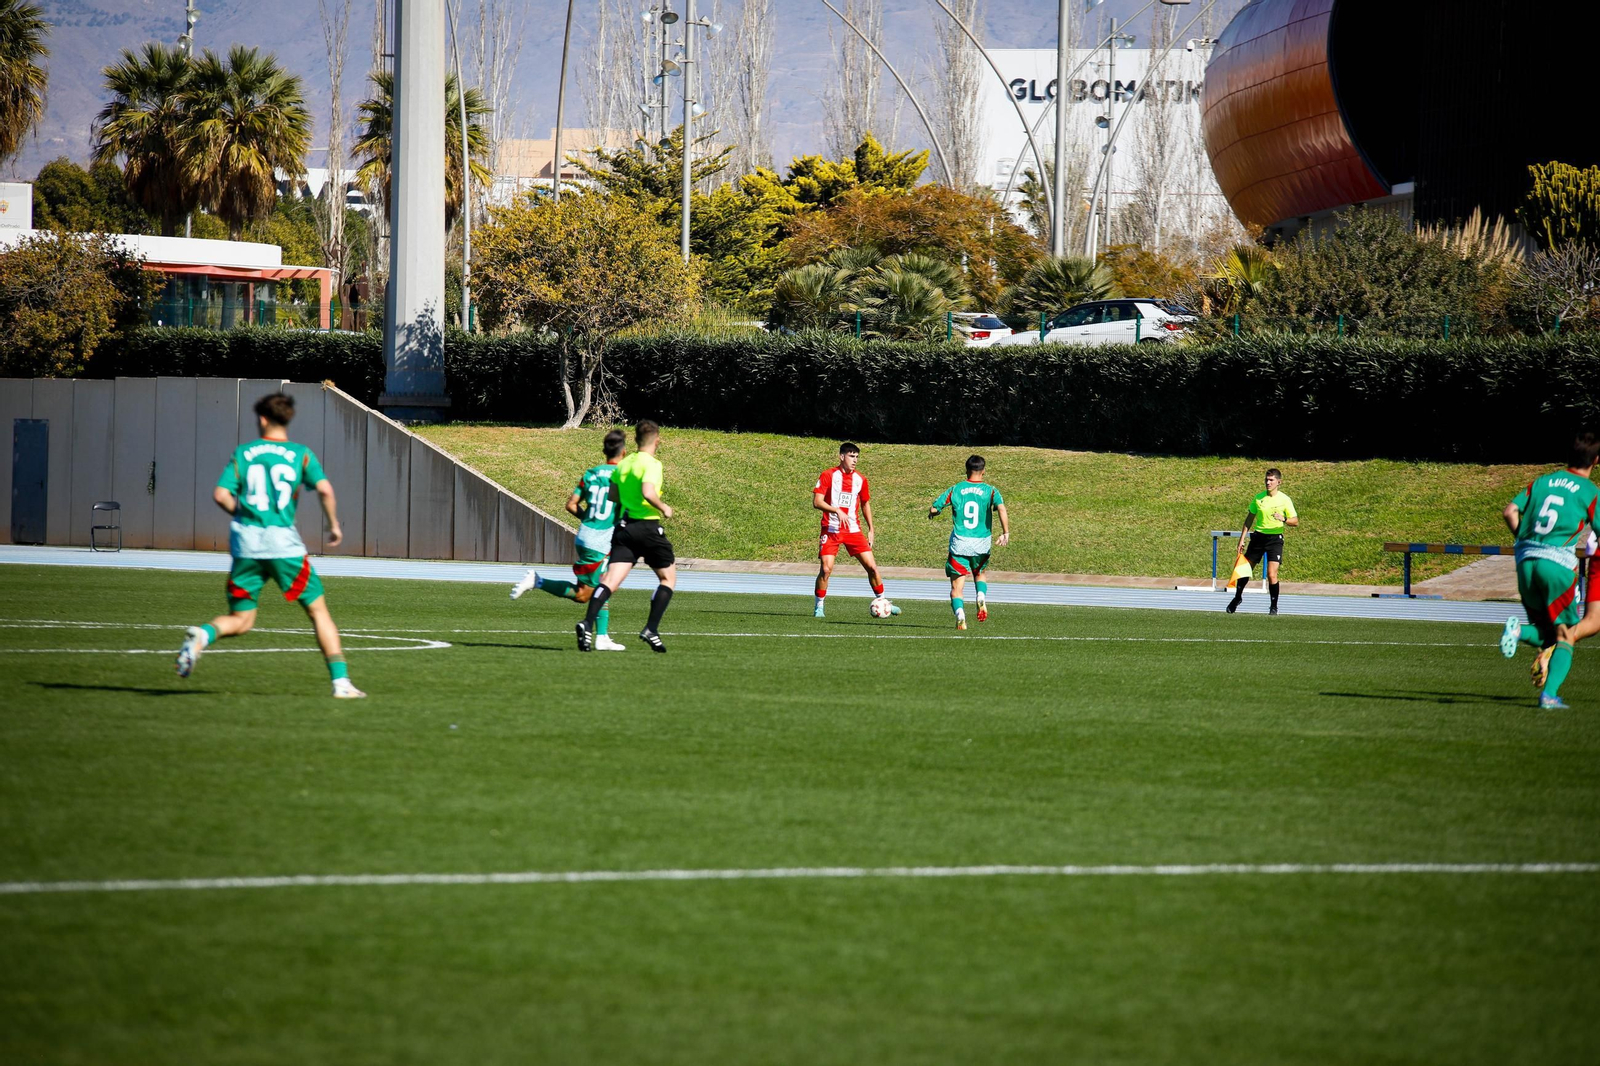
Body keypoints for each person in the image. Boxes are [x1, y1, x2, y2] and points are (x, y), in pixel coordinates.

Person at [174, 392, 365, 698]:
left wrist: (244, 513)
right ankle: (341, 683)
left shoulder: (244, 453)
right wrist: (333, 525)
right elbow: (325, 490)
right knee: (318, 612)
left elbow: (221, 494)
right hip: (283, 544)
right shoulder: (300, 454)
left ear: (262, 418)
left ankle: (203, 635)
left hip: (246, 543)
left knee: (241, 619)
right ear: (287, 419)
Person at [1496, 431, 1600, 708]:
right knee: (1567, 635)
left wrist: (1523, 540)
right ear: (1596, 460)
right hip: (1557, 565)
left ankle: (1518, 633)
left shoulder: (1542, 481)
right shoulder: (1590, 491)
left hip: (1525, 562)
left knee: (1548, 632)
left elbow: (1509, 511)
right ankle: (1549, 696)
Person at [510, 429, 627, 651]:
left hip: (585, 535)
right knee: (594, 590)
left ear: (605, 450)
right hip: (599, 542)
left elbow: (571, 504)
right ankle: (600, 637)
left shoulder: (591, 474)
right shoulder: (622, 478)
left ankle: (601, 635)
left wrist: (589, 520)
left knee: (596, 589)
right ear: (624, 452)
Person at [577, 421, 676, 653]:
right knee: (667, 578)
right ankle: (651, 629)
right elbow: (648, 491)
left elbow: (613, 496)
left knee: (609, 581)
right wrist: (664, 507)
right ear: (657, 440)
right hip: (648, 528)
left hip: (625, 529)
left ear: (635, 440)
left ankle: (587, 623)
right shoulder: (651, 463)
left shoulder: (625, 463)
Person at [929, 454, 1010, 630]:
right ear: (984, 471)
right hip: (982, 543)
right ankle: (980, 595)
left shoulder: (956, 489)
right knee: (979, 573)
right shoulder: (991, 490)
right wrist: (1005, 532)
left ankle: (960, 615)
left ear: (966, 470)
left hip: (960, 543)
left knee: (956, 587)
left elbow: (935, 507)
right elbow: (1001, 508)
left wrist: (934, 512)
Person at [812, 442, 891, 618]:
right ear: (841, 457)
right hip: (831, 529)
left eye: (856, 456)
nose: (854, 460)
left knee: (872, 567)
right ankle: (819, 606)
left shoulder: (860, 479)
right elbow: (817, 502)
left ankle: (884, 602)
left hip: (853, 530)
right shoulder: (828, 475)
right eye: (851, 456)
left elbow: (865, 504)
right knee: (826, 569)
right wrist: (836, 510)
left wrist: (871, 529)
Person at [1226, 467, 1299, 615]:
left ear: (1279, 482)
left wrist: (1283, 519)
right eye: (1266, 479)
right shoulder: (1258, 498)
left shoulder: (1285, 500)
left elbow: (1295, 521)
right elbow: (1249, 519)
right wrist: (1241, 539)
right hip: (1258, 537)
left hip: (1275, 539)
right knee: (1245, 570)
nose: (1268, 482)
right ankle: (1237, 598)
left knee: (1272, 574)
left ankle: (1273, 606)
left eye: (1271, 480)